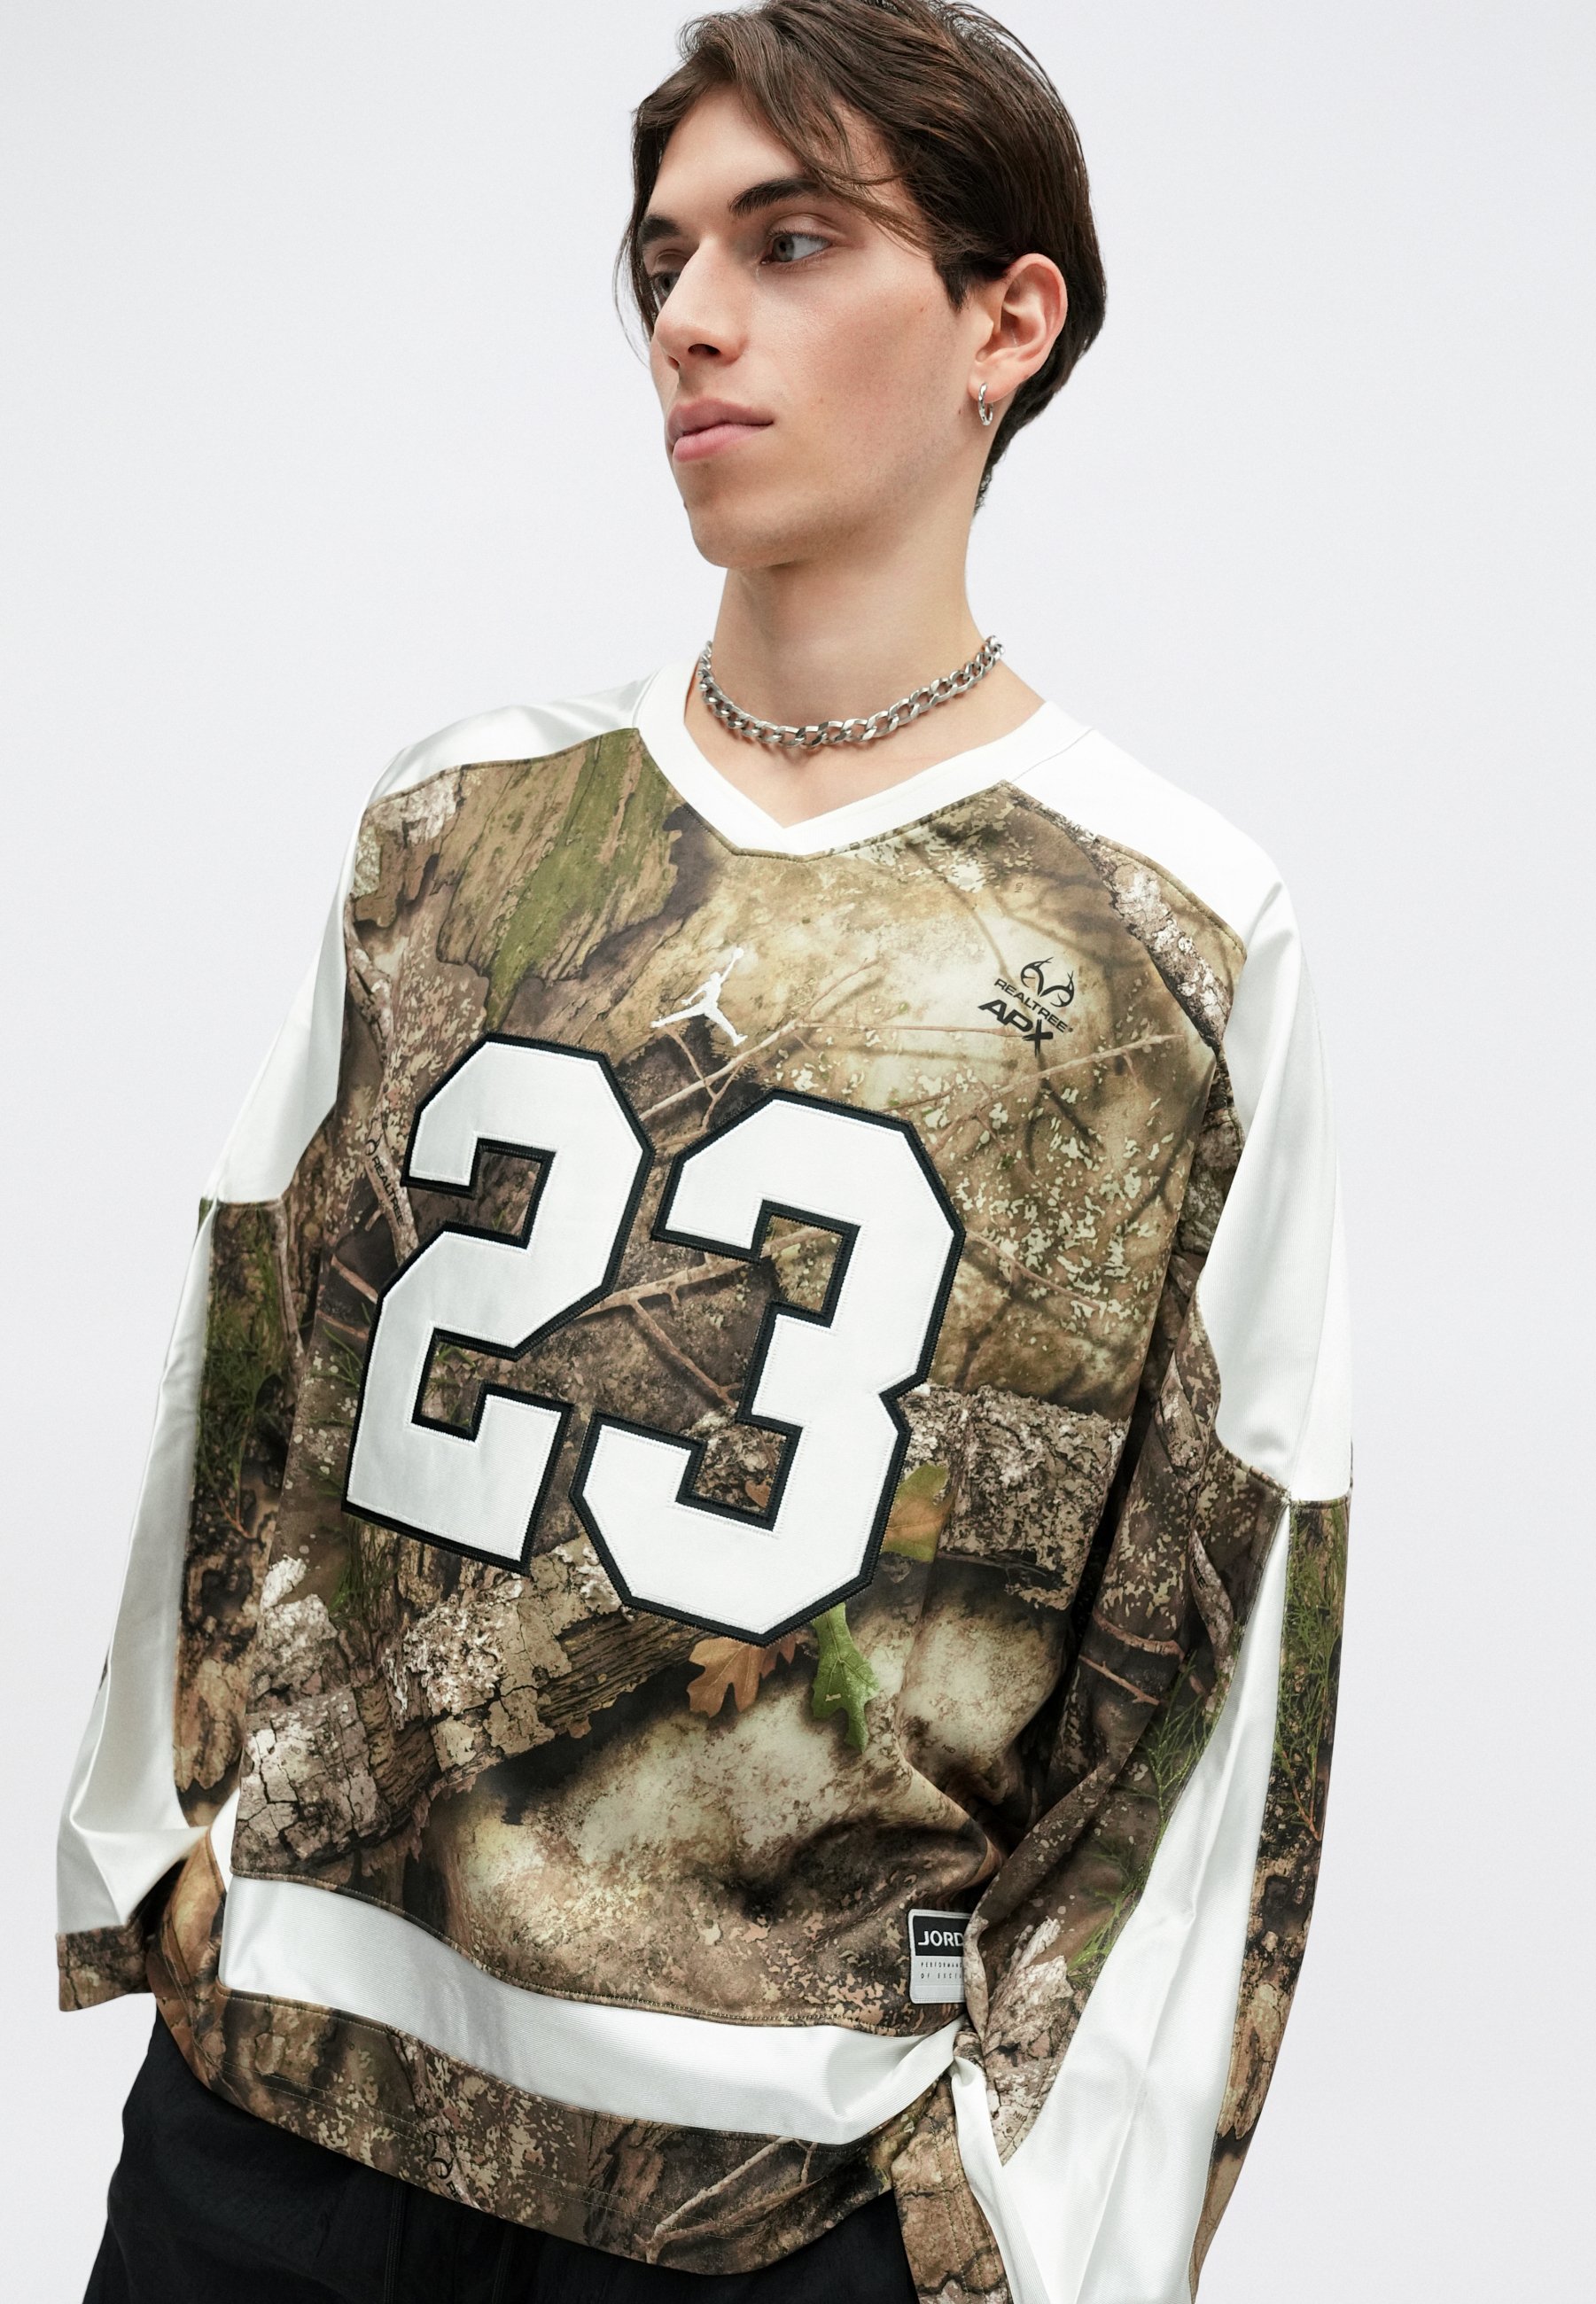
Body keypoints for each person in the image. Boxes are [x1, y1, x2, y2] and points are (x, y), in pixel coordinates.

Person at [60, 4, 1351, 2300]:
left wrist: (1033, 2206)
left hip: (771, 2196)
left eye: (792, 239)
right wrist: (151, 1855)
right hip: (284, 2112)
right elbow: (249, 1352)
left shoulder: (1171, 934)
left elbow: (1226, 1607)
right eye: (664, 257)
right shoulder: (456, 821)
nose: (689, 315)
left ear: (1005, 320)